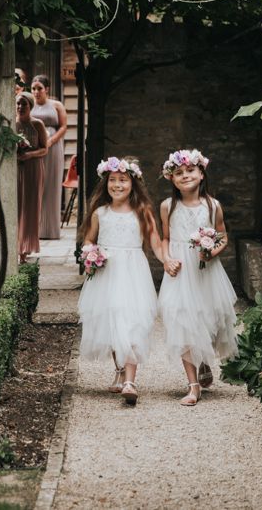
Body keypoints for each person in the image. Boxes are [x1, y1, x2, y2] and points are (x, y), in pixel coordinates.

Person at [77, 156, 164, 406]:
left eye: (123, 180)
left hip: (133, 271)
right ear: (106, 184)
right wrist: (90, 254)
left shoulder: (142, 211)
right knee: (115, 321)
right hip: (107, 272)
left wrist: (167, 261)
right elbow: (89, 240)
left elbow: (155, 241)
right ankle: (120, 369)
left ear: (133, 184)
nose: (117, 185)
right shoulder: (99, 213)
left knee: (132, 321)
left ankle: (130, 381)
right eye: (112, 180)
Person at [158, 149, 238, 406]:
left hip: (206, 272)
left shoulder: (212, 206)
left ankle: (204, 360)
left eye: (190, 170)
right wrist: (167, 259)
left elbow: (223, 235)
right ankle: (193, 386)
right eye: (179, 173)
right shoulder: (167, 206)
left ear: (201, 173)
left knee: (209, 320)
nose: (185, 176)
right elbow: (165, 238)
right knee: (181, 321)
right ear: (171, 178)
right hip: (180, 272)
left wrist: (213, 251)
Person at [30, 74, 67, 239]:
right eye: (33, 89)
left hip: (53, 148)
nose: (36, 92)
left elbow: (64, 126)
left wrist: (51, 141)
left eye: (39, 88)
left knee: (51, 185)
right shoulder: (28, 105)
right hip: (34, 147)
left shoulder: (56, 105)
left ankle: (51, 230)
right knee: (35, 186)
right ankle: (35, 229)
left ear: (47, 89)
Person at [15, 91, 48, 264]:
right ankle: (16, 245)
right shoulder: (11, 125)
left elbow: (45, 149)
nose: (20, 107)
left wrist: (30, 155)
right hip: (16, 170)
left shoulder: (38, 124)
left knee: (30, 207)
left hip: (34, 168)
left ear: (30, 106)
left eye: (24, 104)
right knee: (17, 207)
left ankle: (25, 248)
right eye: (18, 104)